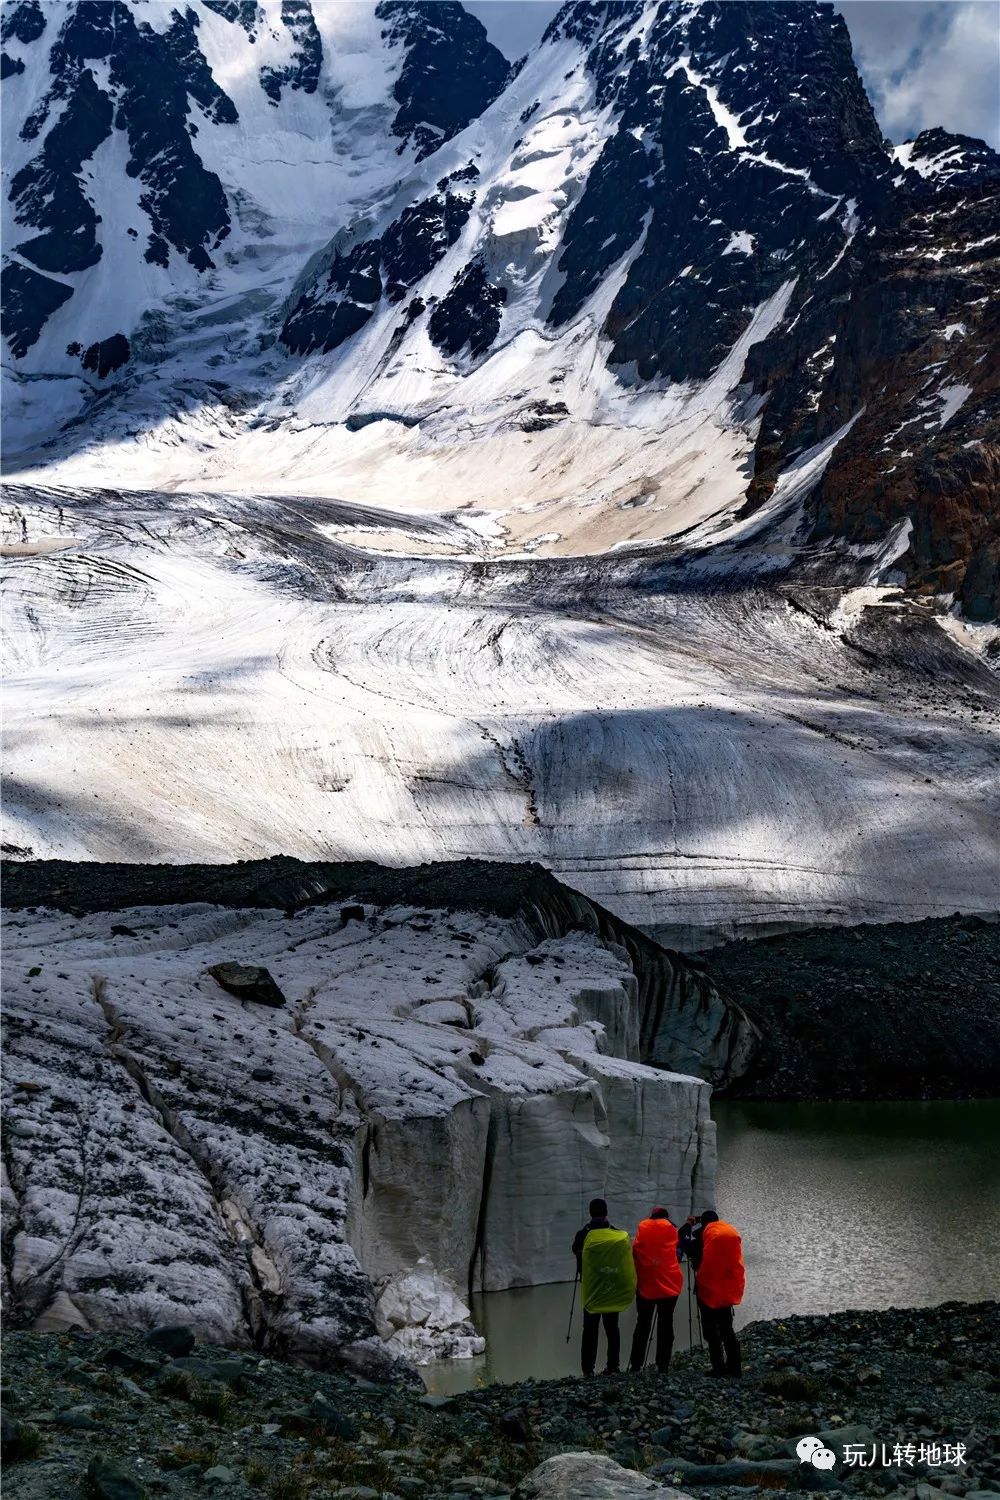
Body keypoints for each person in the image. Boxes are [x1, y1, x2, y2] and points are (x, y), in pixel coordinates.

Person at [572, 1198, 636, 1376]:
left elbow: (575, 1250)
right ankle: (613, 1366)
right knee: (612, 1328)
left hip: (592, 1290)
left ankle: (588, 1369)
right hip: (611, 1289)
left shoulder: (583, 1234)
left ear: (590, 1212)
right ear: (606, 1212)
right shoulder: (616, 1233)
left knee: (590, 1331)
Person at [686, 1209, 745, 1378]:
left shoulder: (703, 1237)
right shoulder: (727, 1233)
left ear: (703, 1224)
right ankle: (735, 1368)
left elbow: (688, 1249)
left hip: (709, 1292)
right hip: (727, 1291)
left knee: (711, 1331)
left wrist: (690, 1226)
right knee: (727, 1329)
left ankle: (718, 1367)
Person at [628, 1207, 682, 1372]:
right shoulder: (671, 1229)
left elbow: (636, 1251)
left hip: (646, 1287)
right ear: (666, 1217)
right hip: (670, 1287)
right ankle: (663, 1365)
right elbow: (677, 1253)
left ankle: (636, 1365)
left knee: (643, 1324)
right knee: (666, 1324)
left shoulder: (643, 1227)